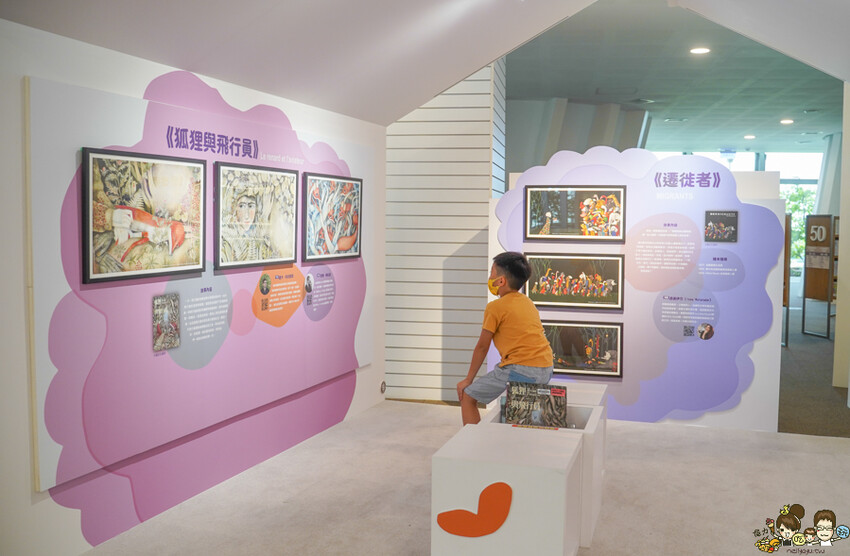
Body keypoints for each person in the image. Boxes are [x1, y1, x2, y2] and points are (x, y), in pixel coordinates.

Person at [456, 252, 554, 425]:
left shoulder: (495, 307)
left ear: (501, 281)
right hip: (546, 368)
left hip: (521, 370)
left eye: (491, 273)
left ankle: (472, 441)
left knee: (468, 396)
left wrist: (468, 379)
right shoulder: (527, 302)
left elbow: (482, 347)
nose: (489, 277)